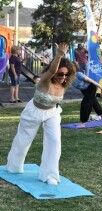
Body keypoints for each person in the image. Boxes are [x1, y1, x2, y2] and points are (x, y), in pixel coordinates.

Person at [6, 43, 76, 185]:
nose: (64, 77)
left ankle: (50, 175)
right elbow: (51, 70)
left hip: (53, 112)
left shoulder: (64, 83)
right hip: (34, 112)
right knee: (23, 140)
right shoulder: (46, 79)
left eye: (66, 74)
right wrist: (60, 54)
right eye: (61, 74)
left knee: (55, 141)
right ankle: (14, 166)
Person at [72, 62, 102, 128]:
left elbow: (91, 80)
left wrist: (101, 87)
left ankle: (83, 122)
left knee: (85, 104)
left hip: (90, 88)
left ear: (75, 68)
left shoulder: (79, 74)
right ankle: (101, 113)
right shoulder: (68, 77)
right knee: (93, 101)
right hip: (84, 90)